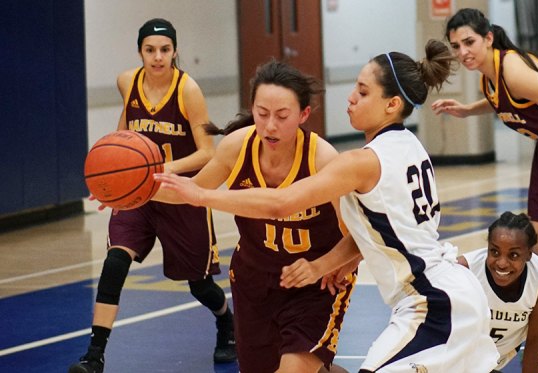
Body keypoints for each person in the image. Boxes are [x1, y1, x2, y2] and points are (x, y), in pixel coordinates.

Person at [154, 40, 500, 372]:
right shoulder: (409, 145)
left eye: (363, 92)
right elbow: (372, 232)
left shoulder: (358, 162)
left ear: (392, 104)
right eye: (355, 87)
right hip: (444, 292)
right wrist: (328, 263)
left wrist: (202, 196)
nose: (350, 98)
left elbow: (281, 203)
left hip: (431, 301)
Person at [155, 59, 356, 373]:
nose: (270, 125)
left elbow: (359, 235)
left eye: (282, 115)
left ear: (304, 115)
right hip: (253, 279)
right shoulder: (237, 148)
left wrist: (324, 266)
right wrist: (130, 195)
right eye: (262, 114)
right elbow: (189, 192)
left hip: (314, 285)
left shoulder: (323, 159)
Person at [430, 8, 538, 372]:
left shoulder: (512, 68)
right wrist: (467, 111)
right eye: (456, 46)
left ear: (489, 37)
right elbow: (503, 101)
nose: (463, 52)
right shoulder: (489, 79)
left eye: (469, 42)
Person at [69, 18, 235, 373]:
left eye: (165, 50)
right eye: (150, 50)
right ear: (140, 51)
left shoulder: (188, 90)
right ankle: (94, 354)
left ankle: (226, 323)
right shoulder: (127, 82)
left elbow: (207, 151)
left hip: (180, 192)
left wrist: (161, 171)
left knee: (199, 284)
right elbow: (123, 135)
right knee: (115, 263)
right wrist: (111, 179)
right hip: (140, 194)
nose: (157, 57)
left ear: (175, 52)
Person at [457, 211, 538, 372]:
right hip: (453, 361)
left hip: (492, 361)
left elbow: (535, 339)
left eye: (513, 255)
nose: (502, 263)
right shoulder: (464, 270)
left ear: (529, 254)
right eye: (494, 252)